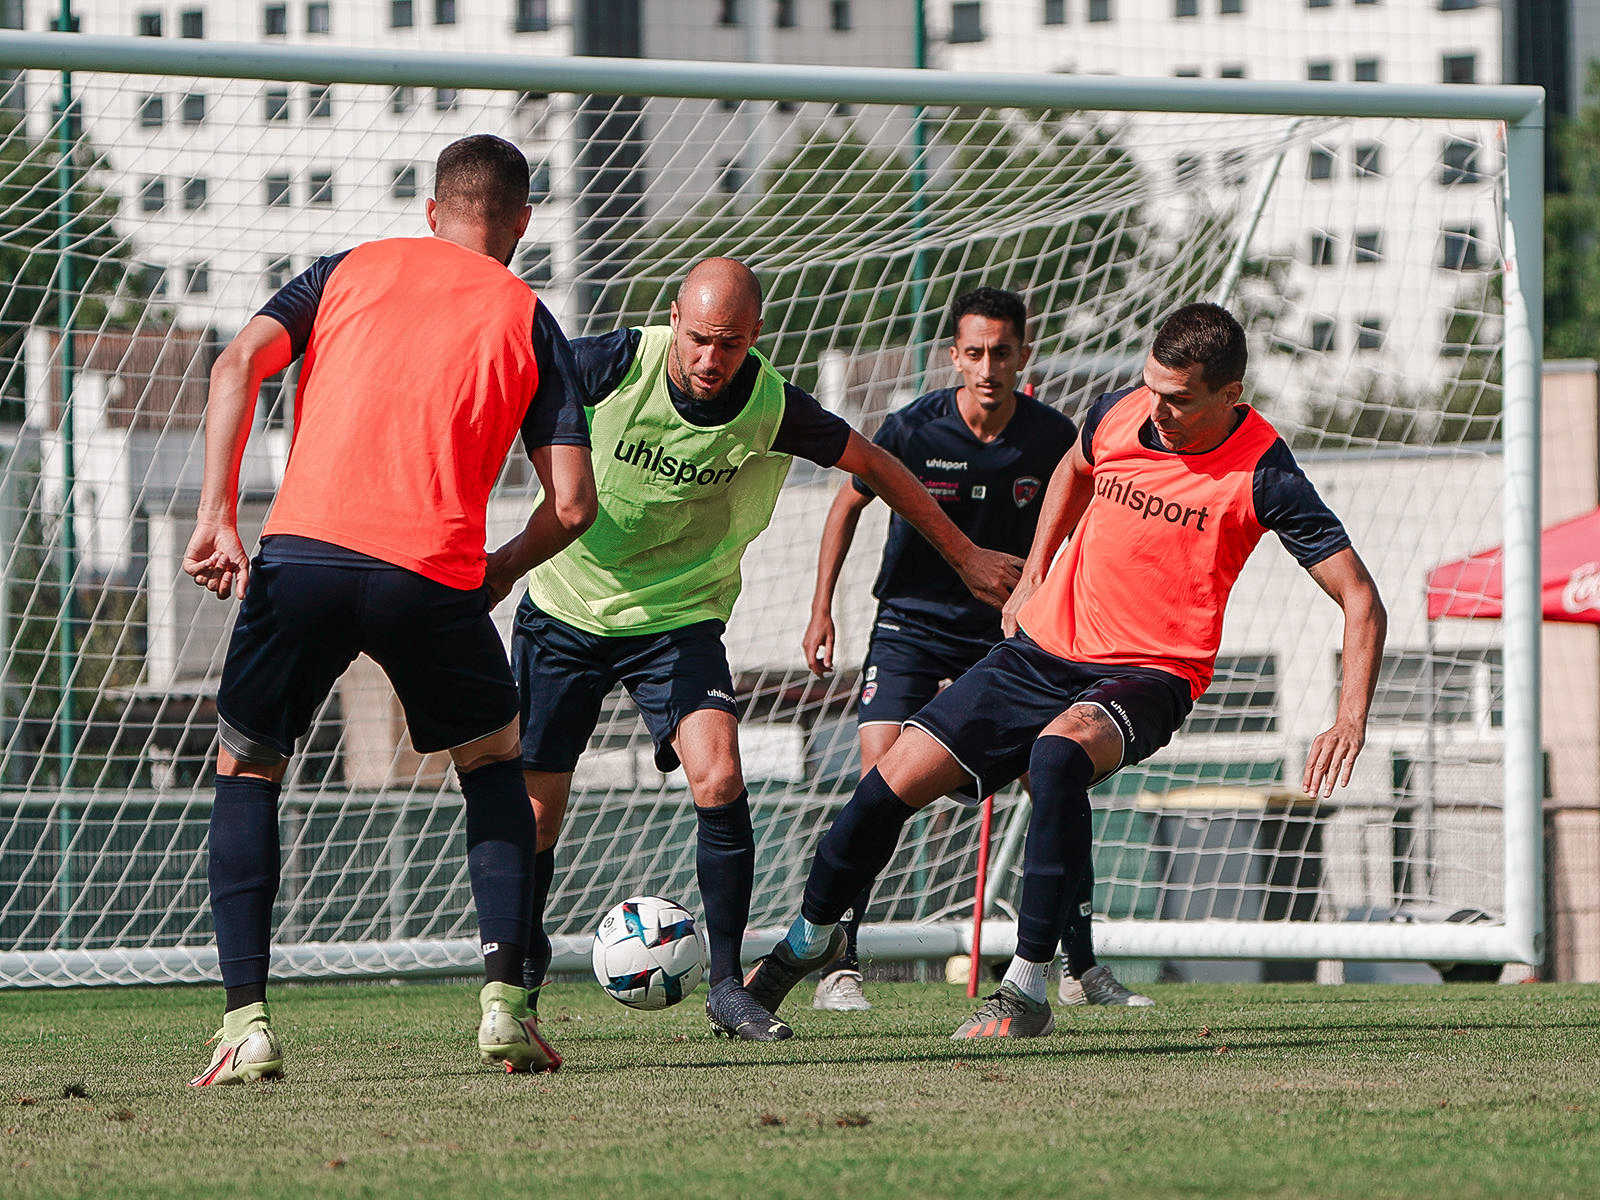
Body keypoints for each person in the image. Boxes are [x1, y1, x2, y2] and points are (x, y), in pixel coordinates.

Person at [746, 302, 1386, 1038]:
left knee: (1056, 757)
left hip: (1150, 673)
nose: (1158, 410)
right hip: (1039, 652)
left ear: (1230, 396)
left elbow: (1360, 598)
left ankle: (1028, 987)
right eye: (1152, 387)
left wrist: (1350, 717)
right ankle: (810, 941)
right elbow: (1074, 466)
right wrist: (1034, 574)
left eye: (1179, 399)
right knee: (884, 786)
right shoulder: (1119, 412)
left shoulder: (1265, 473)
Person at [512, 257, 1022, 1043]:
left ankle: (726, 986)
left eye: (731, 343)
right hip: (566, 610)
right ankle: (521, 970)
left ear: (756, 335)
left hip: (678, 620)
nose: (712, 359)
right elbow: (509, 395)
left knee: (720, 777)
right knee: (537, 819)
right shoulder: (611, 363)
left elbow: (874, 464)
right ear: (674, 318)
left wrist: (965, 556)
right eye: (700, 338)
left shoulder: (771, 403)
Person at [181, 134, 597, 1084]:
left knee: (248, 768)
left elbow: (237, 363)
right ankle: (505, 1005)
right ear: (523, 224)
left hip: (304, 557)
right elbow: (574, 505)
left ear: (431, 210)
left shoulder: (348, 270)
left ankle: (246, 1025)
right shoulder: (530, 318)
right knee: (491, 763)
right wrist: (498, 571)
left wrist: (216, 516)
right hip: (430, 576)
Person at [800, 287, 1149, 1012]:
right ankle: (840, 965)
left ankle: (1080, 968)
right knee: (880, 775)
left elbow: (1090, 522)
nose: (989, 367)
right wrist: (821, 608)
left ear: (1025, 356)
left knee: (1055, 777)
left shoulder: (1053, 437)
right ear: (953, 357)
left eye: (1002, 353)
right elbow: (846, 504)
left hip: (1009, 634)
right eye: (975, 353)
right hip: (912, 627)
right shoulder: (912, 427)